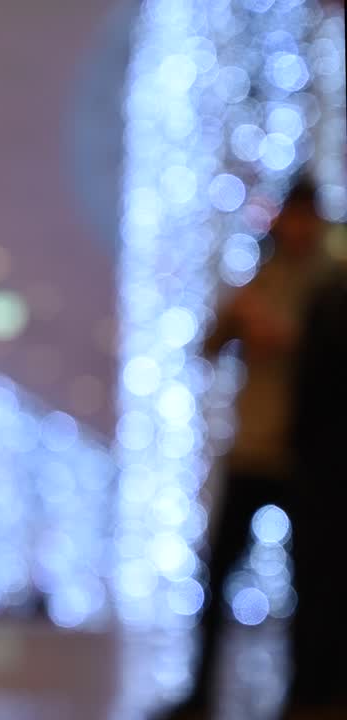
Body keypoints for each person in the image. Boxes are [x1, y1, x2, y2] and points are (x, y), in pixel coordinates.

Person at [160, 180, 332, 720]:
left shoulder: (329, 284)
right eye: (292, 217)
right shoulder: (261, 277)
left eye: (307, 217)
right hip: (252, 452)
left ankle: (305, 694)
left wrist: (291, 340)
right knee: (217, 576)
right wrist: (235, 323)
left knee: (310, 582)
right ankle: (200, 691)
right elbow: (207, 347)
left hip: (303, 457)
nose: (298, 227)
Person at [285, 257, 347, 718]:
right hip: (310, 461)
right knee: (314, 578)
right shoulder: (326, 291)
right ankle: (312, 687)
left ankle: (314, 688)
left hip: (315, 461)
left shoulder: (327, 289)